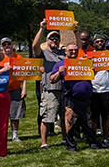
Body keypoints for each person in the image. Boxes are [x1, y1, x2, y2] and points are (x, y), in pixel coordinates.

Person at [32, 19, 77, 148]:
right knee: (47, 117)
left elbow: (77, 49)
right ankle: (44, 143)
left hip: (65, 89)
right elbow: (35, 46)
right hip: (50, 89)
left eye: (56, 38)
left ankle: (64, 138)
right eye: (52, 38)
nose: (54, 40)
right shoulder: (44, 54)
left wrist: (76, 32)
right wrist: (42, 28)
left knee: (64, 116)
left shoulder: (64, 53)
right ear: (47, 41)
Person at [50, 43, 103, 152]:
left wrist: (93, 69)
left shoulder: (84, 63)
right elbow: (52, 79)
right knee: (70, 124)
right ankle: (71, 146)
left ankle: (93, 143)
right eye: (71, 50)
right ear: (65, 51)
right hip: (71, 99)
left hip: (86, 98)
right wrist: (59, 73)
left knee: (88, 124)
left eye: (75, 50)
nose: (73, 52)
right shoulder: (61, 64)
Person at [89, 35, 109, 147]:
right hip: (93, 90)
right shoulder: (89, 57)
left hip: (108, 90)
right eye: (97, 42)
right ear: (93, 44)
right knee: (94, 116)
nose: (100, 43)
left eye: (102, 41)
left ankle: (105, 138)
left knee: (106, 115)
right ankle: (94, 139)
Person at [0, 37, 27, 142]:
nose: (7, 46)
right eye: (4, 44)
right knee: (0, 114)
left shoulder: (18, 57)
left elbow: (24, 74)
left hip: (15, 89)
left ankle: (14, 135)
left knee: (15, 113)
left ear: (12, 45)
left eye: (8, 44)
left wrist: (24, 89)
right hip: (1, 90)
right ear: (1, 47)